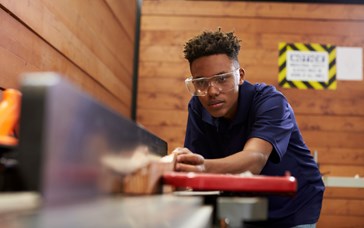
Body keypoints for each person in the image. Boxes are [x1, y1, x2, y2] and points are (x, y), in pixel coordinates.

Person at [172, 28, 325, 228]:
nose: (212, 91)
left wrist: (201, 167)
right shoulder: (198, 107)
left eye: (221, 78)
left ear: (240, 76)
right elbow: (200, 162)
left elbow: (255, 160)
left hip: (294, 205)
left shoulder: (271, 102)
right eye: (201, 82)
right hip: (245, 205)